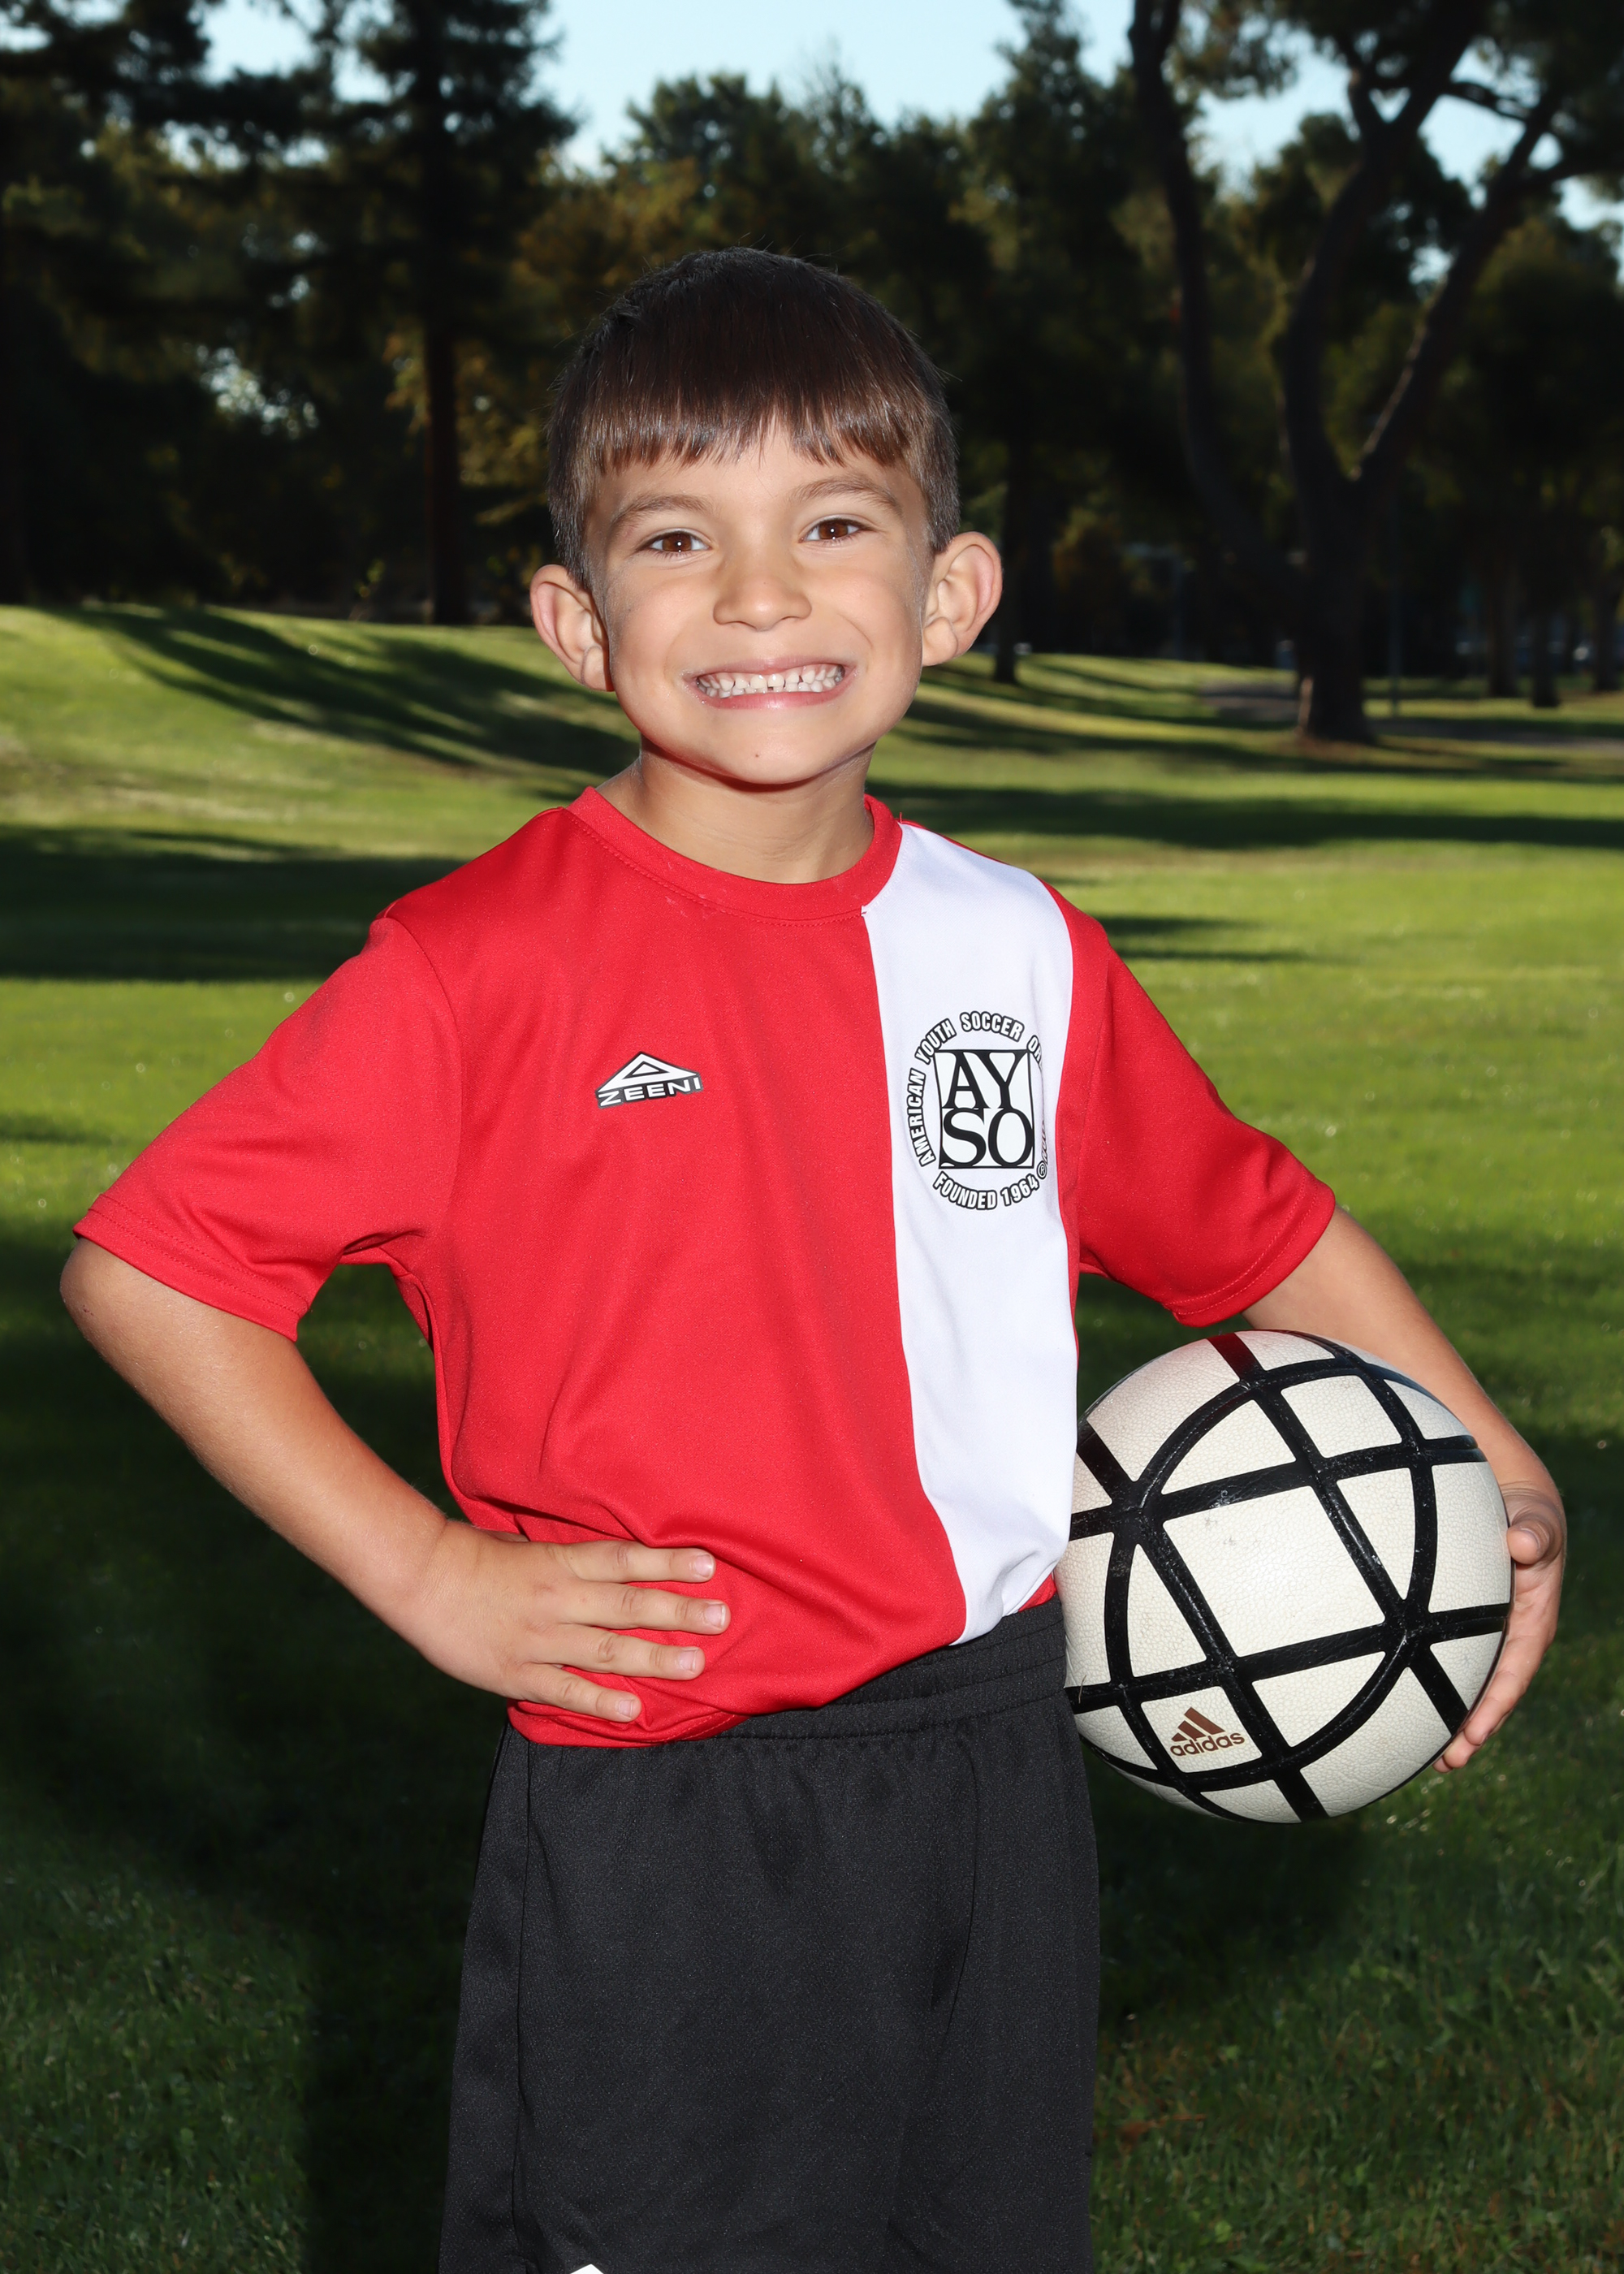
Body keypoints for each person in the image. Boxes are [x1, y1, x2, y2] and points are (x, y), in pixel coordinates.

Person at [61, 249, 1566, 2274]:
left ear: (949, 592)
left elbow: (1257, 1228)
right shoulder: (476, 967)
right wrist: (426, 1571)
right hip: (671, 1790)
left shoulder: (1014, 948)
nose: (761, 596)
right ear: (579, 622)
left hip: (998, 1751)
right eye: (679, 537)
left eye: (834, 525)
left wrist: (1489, 1456)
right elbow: (155, 1269)